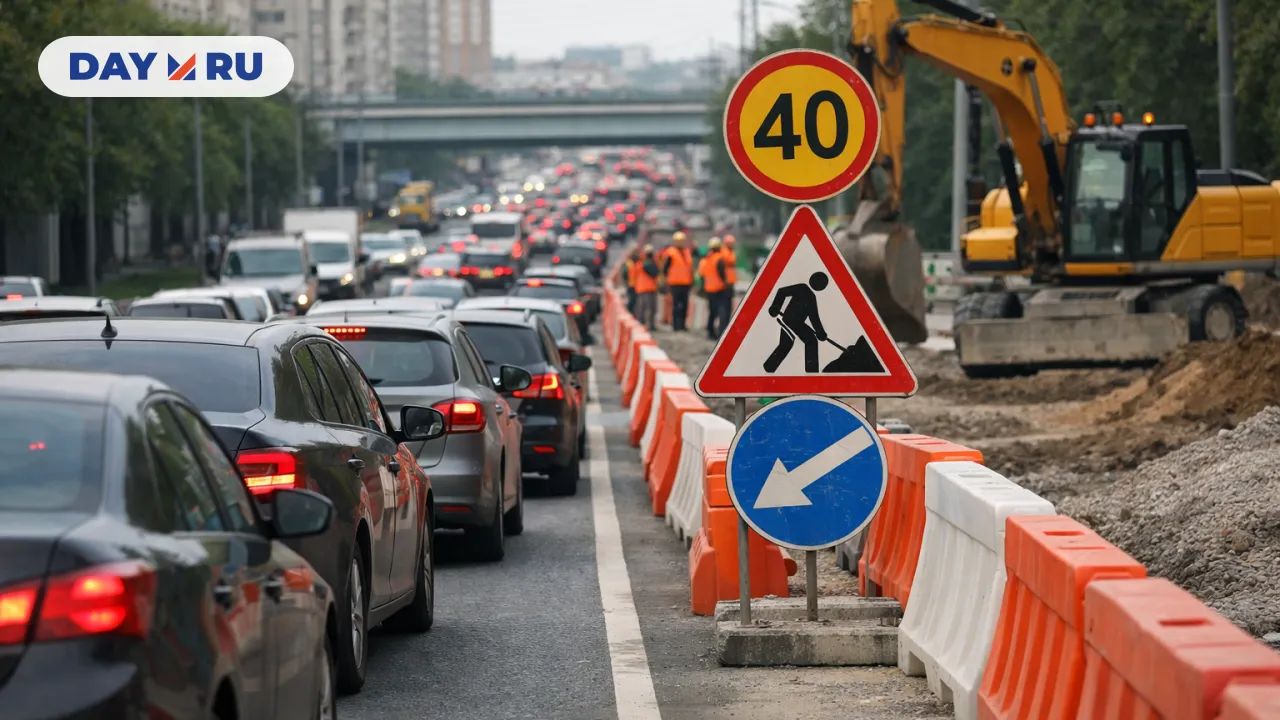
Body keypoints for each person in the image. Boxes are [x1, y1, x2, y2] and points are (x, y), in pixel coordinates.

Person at [764, 271, 830, 373]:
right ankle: (768, 369)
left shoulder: (810, 296)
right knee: (792, 344)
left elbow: (814, 318)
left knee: (794, 343)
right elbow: (782, 292)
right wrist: (776, 306)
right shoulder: (803, 289)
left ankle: (768, 368)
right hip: (789, 321)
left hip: (797, 324)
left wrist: (821, 333)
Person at [661, 231, 695, 331]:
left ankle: (683, 325)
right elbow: (665, 269)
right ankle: (675, 325)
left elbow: (689, 268)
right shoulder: (671, 252)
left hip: (686, 283)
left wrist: (691, 280)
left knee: (684, 305)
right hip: (675, 284)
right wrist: (667, 280)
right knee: (676, 305)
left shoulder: (687, 252)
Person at [698, 237, 730, 339]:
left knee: (712, 312)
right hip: (720, 289)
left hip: (709, 289)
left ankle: (710, 331)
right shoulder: (719, 258)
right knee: (722, 311)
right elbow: (721, 273)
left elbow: (702, 275)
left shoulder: (706, 259)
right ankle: (721, 333)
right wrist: (726, 283)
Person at [631, 245, 660, 329]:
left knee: (651, 308)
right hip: (643, 288)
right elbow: (653, 272)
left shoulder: (649, 263)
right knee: (645, 308)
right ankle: (642, 324)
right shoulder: (642, 264)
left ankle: (650, 325)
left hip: (649, 288)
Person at [623, 247, 640, 314]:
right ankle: (630, 313)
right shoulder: (629, 263)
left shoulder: (638, 263)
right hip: (631, 285)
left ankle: (633, 313)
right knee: (632, 301)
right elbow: (624, 274)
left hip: (638, 285)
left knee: (635, 302)